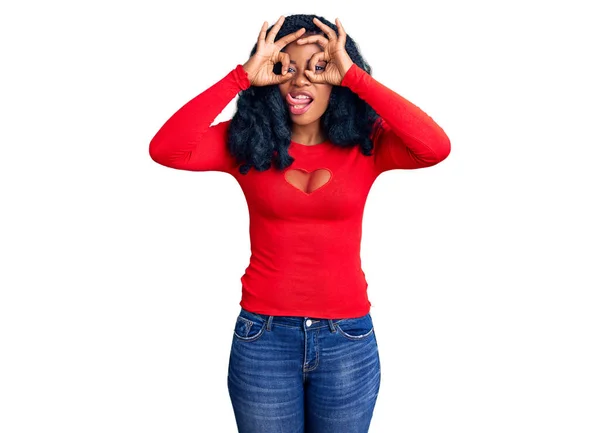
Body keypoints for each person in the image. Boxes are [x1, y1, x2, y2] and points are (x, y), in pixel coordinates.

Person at [149, 13, 450, 433]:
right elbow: (166, 150)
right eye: (285, 67)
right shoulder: (248, 144)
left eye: (318, 66)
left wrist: (357, 78)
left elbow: (435, 147)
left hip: (347, 340)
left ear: (338, 76)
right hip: (263, 341)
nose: (300, 80)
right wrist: (240, 77)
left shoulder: (368, 144)